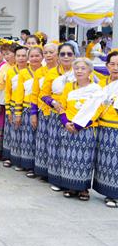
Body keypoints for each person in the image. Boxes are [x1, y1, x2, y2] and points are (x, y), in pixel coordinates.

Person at [54, 58, 102, 201]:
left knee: (85, 159)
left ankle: (83, 189)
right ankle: (70, 186)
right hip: (68, 127)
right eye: (77, 68)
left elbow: (97, 110)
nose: (79, 71)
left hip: (86, 129)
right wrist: (65, 122)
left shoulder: (96, 89)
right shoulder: (69, 87)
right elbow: (61, 106)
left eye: (83, 68)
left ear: (90, 71)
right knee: (68, 157)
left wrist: (80, 125)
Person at [39, 43, 75, 191]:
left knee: (71, 148)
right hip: (56, 114)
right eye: (63, 54)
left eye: (69, 54)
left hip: (74, 116)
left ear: (74, 56)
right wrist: (53, 102)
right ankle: (56, 179)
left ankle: (72, 182)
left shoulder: (80, 71)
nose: (66, 57)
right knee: (54, 146)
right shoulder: (52, 72)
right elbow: (43, 94)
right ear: (58, 57)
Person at [86, 51, 118, 206]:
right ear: (107, 66)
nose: (115, 67)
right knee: (104, 162)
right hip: (102, 127)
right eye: (112, 64)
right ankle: (107, 191)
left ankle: (115, 195)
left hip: (116, 128)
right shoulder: (101, 84)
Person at [12, 46, 43, 175]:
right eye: (32, 56)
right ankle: (28, 165)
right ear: (28, 58)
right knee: (28, 138)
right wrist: (18, 113)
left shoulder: (46, 71)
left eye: (37, 56)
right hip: (27, 109)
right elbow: (19, 94)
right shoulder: (23, 73)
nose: (35, 58)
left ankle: (40, 167)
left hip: (42, 109)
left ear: (42, 57)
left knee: (41, 140)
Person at [30, 42, 58, 179]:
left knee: (54, 143)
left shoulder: (62, 70)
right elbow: (35, 94)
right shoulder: (40, 72)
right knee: (42, 142)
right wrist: (33, 114)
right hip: (43, 111)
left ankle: (54, 173)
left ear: (57, 54)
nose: (48, 55)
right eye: (46, 53)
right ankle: (42, 171)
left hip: (59, 112)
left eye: (51, 52)